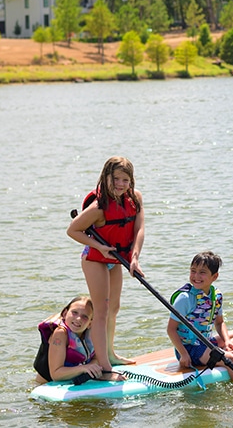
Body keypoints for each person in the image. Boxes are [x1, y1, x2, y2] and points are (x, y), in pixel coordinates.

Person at [66, 156, 144, 372]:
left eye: (125, 180)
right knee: (101, 310)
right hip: (94, 259)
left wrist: (134, 257)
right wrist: (98, 246)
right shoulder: (98, 207)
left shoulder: (135, 199)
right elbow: (72, 230)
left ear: (131, 181)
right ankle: (103, 364)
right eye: (115, 179)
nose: (120, 184)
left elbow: (139, 228)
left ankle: (110, 353)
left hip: (115, 260)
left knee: (114, 308)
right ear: (106, 177)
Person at [167, 251, 233, 378]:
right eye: (193, 271)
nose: (196, 276)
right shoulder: (185, 298)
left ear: (214, 277)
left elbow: (219, 323)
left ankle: (221, 352)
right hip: (190, 349)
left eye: (202, 272)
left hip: (206, 342)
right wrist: (184, 354)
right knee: (231, 359)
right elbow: (171, 330)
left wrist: (226, 342)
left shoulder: (216, 296)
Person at [33, 296, 125, 384]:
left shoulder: (92, 332)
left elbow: (97, 358)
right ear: (65, 314)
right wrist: (84, 368)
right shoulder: (60, 334)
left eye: (85, 316)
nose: (78, 319)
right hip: (46, 386)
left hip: (72, 380)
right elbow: (56, 375)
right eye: (74, 312)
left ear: (91, 323)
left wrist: (93, 369)